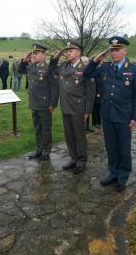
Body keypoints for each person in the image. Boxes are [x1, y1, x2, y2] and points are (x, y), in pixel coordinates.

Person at [83, 36, 136, 192]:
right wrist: (96, 60)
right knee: (110, 147)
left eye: (117, 50)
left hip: (124, 116)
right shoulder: (106, 67)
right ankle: (112, 172)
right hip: (107, 114)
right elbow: (86, 74)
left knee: (123, 147)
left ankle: (123, 176)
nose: (113, 53)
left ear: (125, 50)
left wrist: (135, 117)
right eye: (111, 50)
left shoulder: (134, 69)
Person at [49, 42, 95, 174]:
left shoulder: (85, 67)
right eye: (66, 51)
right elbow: (51, 69)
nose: (68, 53)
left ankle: (81, 160)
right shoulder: (64, 65)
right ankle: (73, 158)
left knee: (79, 135)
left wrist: (88, 110)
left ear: (78, 52)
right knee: (68, 134)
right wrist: (56, 57)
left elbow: (91, 91)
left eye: (71, 50)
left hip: (79, 107)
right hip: (66, 105)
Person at [26, 44, 59, 160]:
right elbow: (20, 69)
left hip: (45, 104)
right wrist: (26, 58)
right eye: (33, 53)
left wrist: (53, 104)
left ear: (44, 55)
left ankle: (46, 150)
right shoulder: (32, 66)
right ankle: (39, 149)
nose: (34, 55)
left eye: (37, 53)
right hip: (34, 103)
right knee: (37, 128)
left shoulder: (48, 68)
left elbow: (54, 87)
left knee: (46, 128)